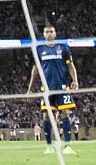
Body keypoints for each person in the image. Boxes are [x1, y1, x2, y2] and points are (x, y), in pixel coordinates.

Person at [27, 24, 78, 156]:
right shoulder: (38, 49)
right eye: (47, 32)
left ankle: (67, 146)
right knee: (46, 116)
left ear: (55, 34)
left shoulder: (63, 47)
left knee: (65, 113)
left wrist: (75, 81)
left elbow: (71, 66)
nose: (49, 34)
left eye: (51, 31)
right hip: (46, 89)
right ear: (43, 34)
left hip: (62, 86)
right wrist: (30, 88)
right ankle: (49, 146)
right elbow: (35, 69)